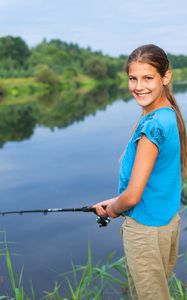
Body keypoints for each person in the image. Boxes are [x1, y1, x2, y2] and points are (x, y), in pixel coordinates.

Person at [93, 44, 187, 300]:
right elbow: (154, 182)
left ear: (165, 77)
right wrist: (115, 201)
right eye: (133, 78)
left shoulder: (151, 128)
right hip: (166, 224)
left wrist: (113, 209)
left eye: (148, 78)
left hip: (146, 232)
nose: (138, 86)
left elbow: (133, 196)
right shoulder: (169, 115)